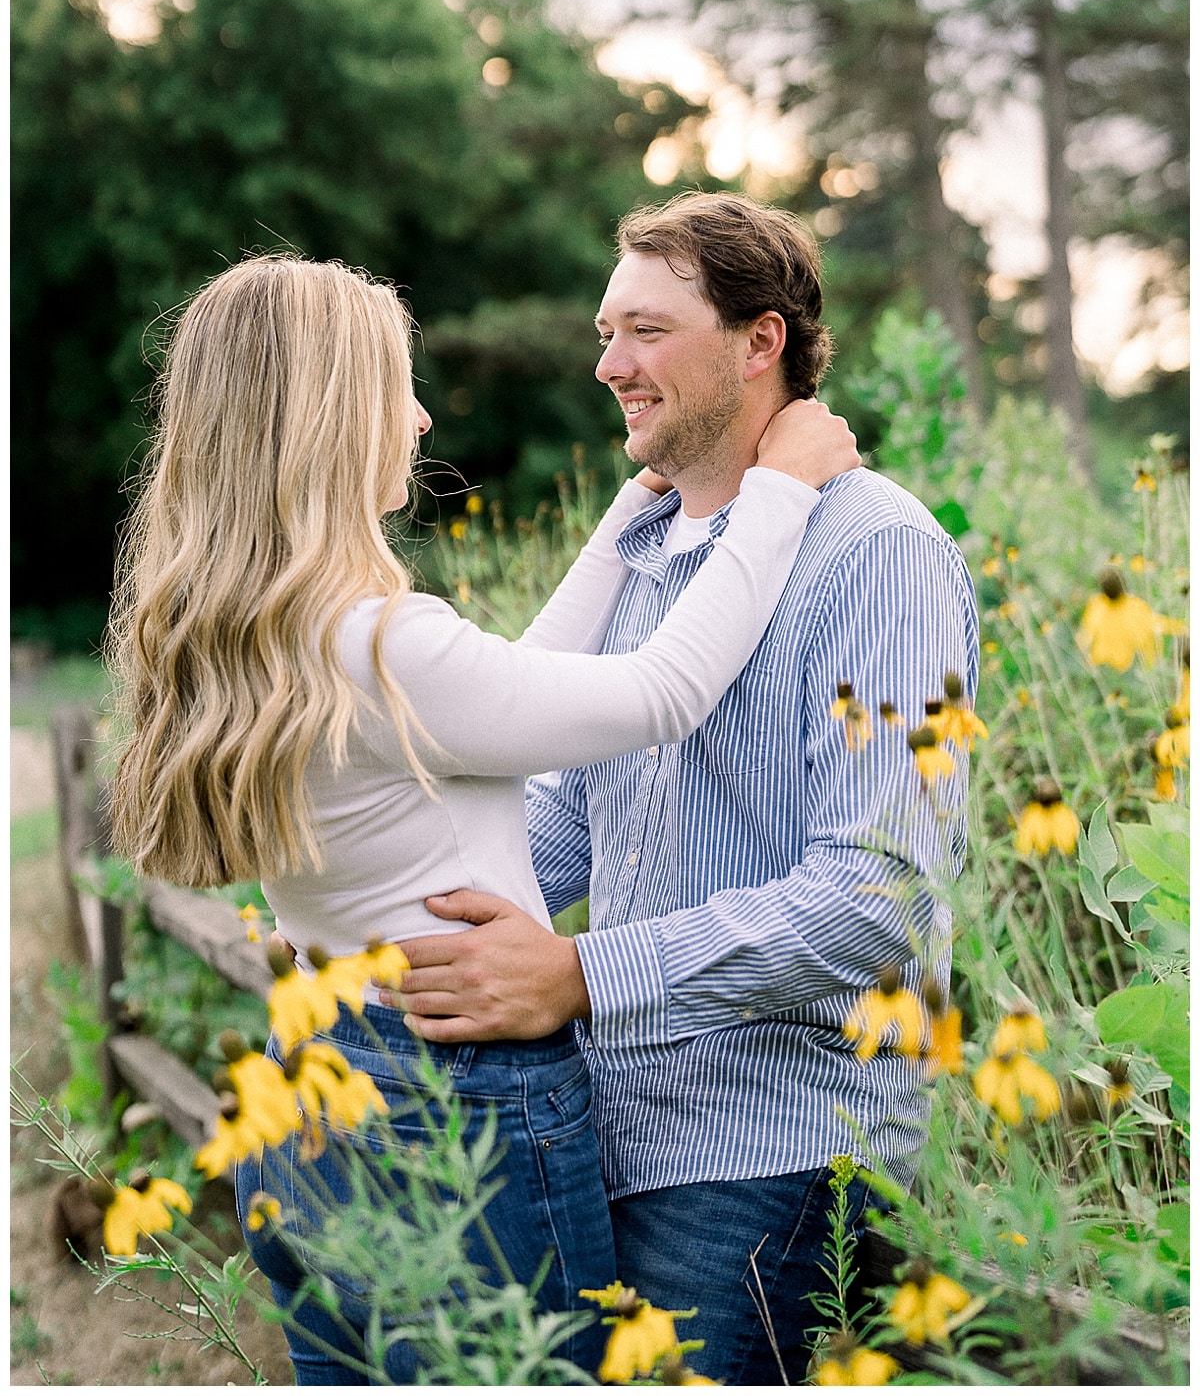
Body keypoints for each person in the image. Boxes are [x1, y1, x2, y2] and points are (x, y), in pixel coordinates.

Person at [105, 251, 861, 1385]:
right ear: (323, 421)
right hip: (448, 1094)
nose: (417, 418)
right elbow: (659, 693)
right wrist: (783, 495)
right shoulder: (381, 641)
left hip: (312, 1072)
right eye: (392, 392)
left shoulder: (272, 633)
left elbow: (502, 690)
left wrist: (622, 519)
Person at [396, 192, 980, 1384]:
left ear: (759, 342)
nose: (610, 364)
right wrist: (408, 923)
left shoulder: (882, 551)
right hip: (601, 1122)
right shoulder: (654, 552)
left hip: (774, 1152)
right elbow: (574, 812)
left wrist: (579, 971)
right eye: (606, 331)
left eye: (646, 331)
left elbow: (883, 894)